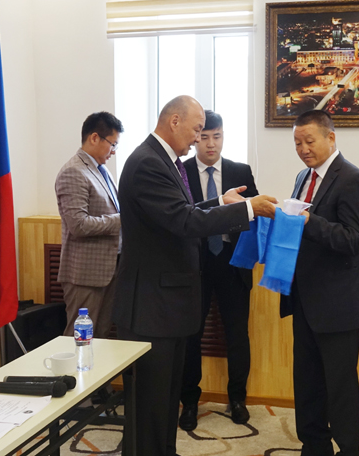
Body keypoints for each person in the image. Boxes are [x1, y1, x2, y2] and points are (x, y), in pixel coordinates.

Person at [112, 96, 278, 456]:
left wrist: (220, 203)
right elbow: (183, 221)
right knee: (150, 408)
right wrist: (248, 209)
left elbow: (180, 211)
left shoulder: (163, 160)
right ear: (175, 121)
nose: (199, 138)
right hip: (151, 308)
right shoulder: (148, 163)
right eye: (197, 130)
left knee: (164, 404)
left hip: (165, 305)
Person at [282, 110, 359, 456]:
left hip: (337, 303)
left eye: (309, 141)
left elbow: (353, 239)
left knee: (339, 385)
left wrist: (309, 222)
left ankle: (349, 449)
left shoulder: (353, 179)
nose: (303, 149)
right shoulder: (302, 177)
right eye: (297, 143)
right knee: (307, 381)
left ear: (330, 137)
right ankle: (314, 445)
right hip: (304, 297)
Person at [179, 110, 258, 430]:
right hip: (195, 263)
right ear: (195, 138)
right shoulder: (181, 171)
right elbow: (180, 217)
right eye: (205, 137)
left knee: (237, 334)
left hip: (232, 260)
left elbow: (253, 214)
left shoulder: (241, 171)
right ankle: (189, 401)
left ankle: (237, 398)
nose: (211, 144)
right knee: (191, 335)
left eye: (217, 136)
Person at [54, 111, 123, 338]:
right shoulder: (73, 171)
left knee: (101, 338)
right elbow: (79, 225)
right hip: (85, 275)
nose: (114, 151)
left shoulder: (102, 171)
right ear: (94, 138)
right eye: (112, 144)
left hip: (109, 270)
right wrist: (123, 219)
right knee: (80, 340)